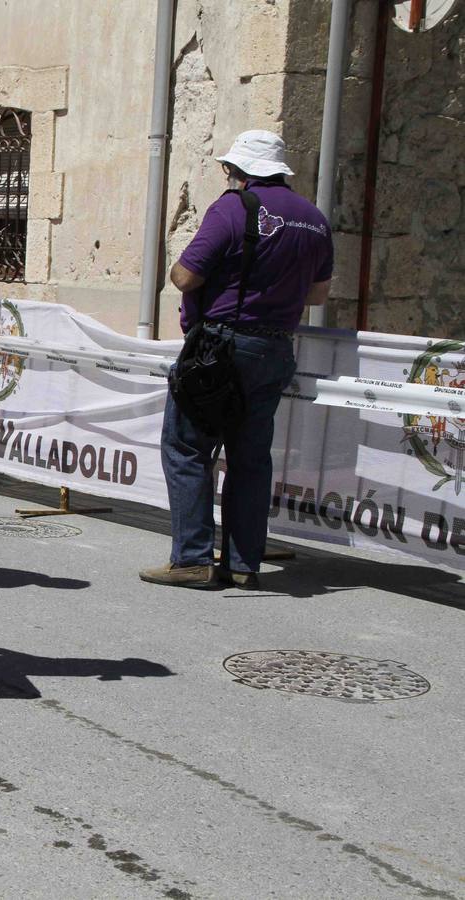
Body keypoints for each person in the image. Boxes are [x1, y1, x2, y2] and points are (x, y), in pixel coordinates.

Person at [139, 130, 332, 590]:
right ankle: (244, 564)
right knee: (250, 457)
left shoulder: (233, 207)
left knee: (187, 448)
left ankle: (192, 559)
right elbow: (319, 293)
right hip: (276, 347)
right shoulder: (314, 219)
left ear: (240, 171)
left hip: (222, 346)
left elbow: (185, 276)